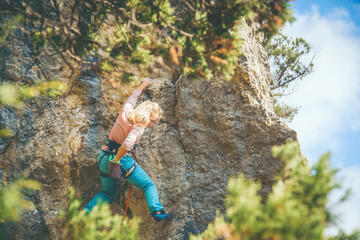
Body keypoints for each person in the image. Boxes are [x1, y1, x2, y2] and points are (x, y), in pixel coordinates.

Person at [83, 77, 173, 222]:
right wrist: (117, 159)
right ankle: (157, 211)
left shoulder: (126, 111)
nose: (151, 125)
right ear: (147, 116)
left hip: (103, 157)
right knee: (147, 185)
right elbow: (126, 144)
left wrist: (144, 84)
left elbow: (133, 96)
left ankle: (85, 213)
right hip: (120, 160)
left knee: (107, 193)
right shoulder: (138, 127)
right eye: (152, 121)